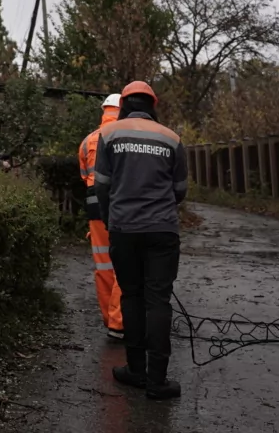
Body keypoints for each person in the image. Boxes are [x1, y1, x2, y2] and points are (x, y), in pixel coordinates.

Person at [94, 80, 186, 402]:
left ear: (124, 106)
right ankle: (157, 382)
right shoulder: (172, 138)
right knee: (158, 300)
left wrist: (112, 218)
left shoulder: (108, 135)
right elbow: (180, 190)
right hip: (162, 230)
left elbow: (102, 186)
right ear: (152, 106)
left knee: (131, 296)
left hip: (124, 229)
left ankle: (135, 370)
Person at [78, 92, 125, 341]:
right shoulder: (124, 137)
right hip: (118, 206)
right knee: (123, 265)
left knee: (103, 266)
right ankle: (119, 323)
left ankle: (109, 319)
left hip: (94, 209)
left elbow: (85, 175)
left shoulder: (87, 141)